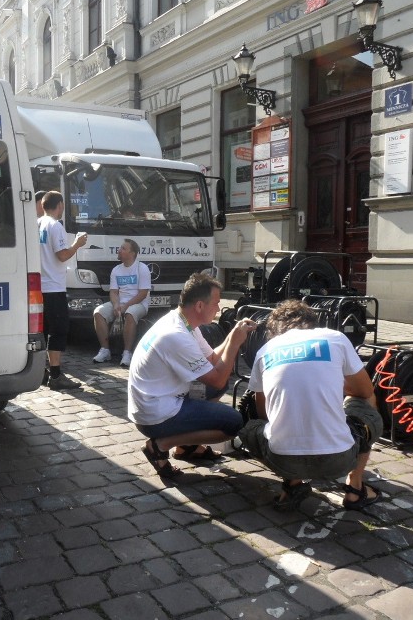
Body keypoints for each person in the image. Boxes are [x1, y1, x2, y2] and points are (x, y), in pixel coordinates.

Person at [240, 300, 384, 511]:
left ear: (273, 330)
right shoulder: (335, 338)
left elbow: (264, 412)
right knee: (365, 404)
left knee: (250, 429)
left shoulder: (264, 351)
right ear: (312, 323)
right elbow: (364, 392)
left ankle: (292, 484)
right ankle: (355, 488)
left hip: (282, 460)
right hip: (339, 460)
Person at [128, 273, 257, 477]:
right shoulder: (177, 335)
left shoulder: (184, 322)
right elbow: (218, 376)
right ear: (199, 306)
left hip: (162, 399)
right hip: (155, 415)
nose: (218, 308)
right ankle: (160, 445)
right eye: (215, 303)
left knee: (217, 387)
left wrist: (232, 335)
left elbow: (213, 361)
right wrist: (234, 344)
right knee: (234, 423)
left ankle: (187, 447)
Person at [38, 191, 88, 390]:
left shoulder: (37, 223)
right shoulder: (54, 225)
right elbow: (61, 255)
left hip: (39, 285)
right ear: (59, 205)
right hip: (53, 286)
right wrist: (77, 244)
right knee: (58, 330)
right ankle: (56, 375)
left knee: (43, 329)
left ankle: (43, 371)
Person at [91, 239, 151, 368]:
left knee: (130, 313)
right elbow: (113, 292)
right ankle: (105, 350)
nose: (119, 250)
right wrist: (116, 304)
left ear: (132, 253)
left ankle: (127, 353)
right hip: (120, 303)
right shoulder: (116, 270)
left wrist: (125, 306)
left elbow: (143, 294)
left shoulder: (142, 268)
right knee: (98, 312)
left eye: (123, 248)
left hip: (139, 304)